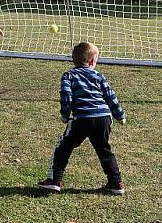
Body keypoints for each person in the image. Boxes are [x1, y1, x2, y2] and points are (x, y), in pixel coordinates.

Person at [37, 42, 126, 195]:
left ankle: (55, 180)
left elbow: (66, 95)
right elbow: (110, 96)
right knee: (104, 149)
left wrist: (65, 115)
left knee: (64, 146)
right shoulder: (98, 76)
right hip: (103, 118)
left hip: (83, 118)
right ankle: (116, 183)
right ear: (92, 61)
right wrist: (120, 115)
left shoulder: (69, 75)